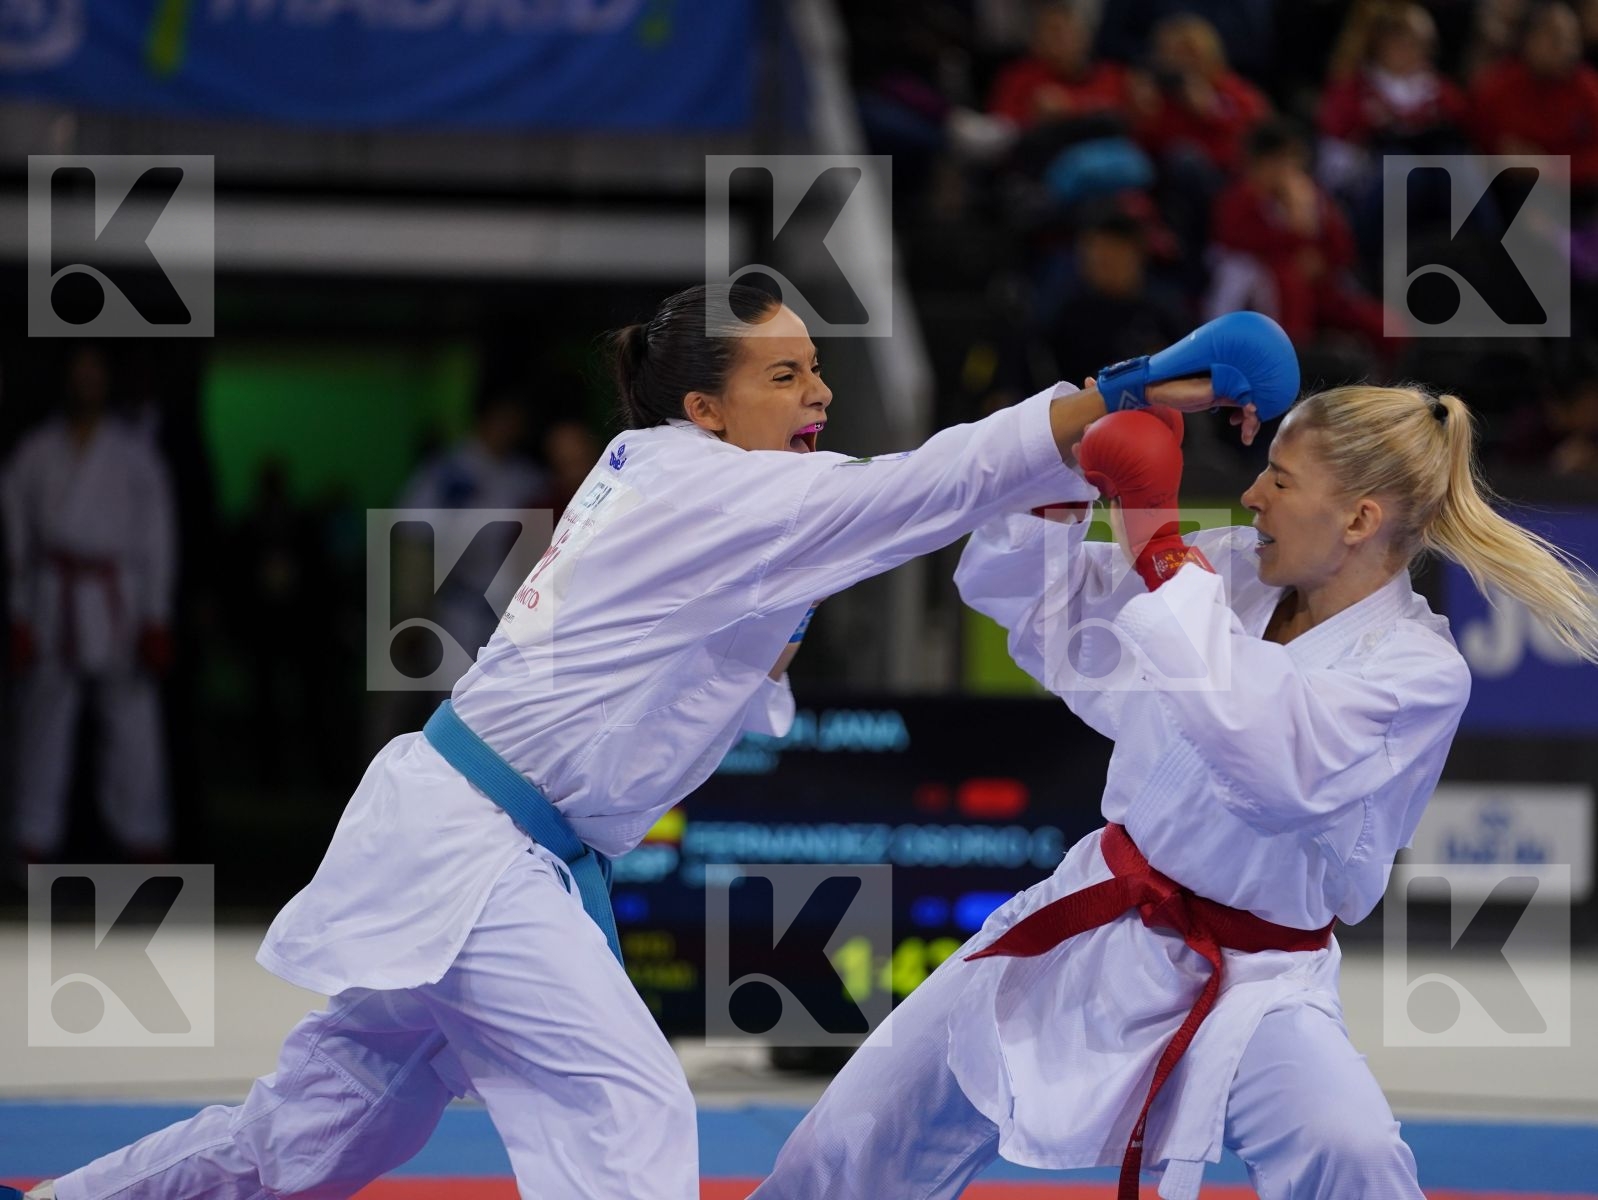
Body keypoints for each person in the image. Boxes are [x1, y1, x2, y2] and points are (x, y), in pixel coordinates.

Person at [11, 286, 1278, 1200]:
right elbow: (919, 490)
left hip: (479, 840)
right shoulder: (697, 484)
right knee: (627, 1110)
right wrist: (1118, 391)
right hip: (479, 851)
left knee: (307, 1138)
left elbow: (765, 603)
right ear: (702, 406)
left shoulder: (674, 478)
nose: (819, 390)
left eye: (816, 368)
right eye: (782, 375)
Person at [752, 384, 1598, 1200]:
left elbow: (1272, 767)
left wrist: (1160, 551)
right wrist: (1070, 474)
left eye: (1281, 478)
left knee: (1351, 1150)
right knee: (852, 1138)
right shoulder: (1229, 575)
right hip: (1090, 918)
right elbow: (1053, 624)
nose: (1254, 496)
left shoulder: (1418, 673)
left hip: (1256, 982)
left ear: (1360, 519)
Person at [2, 344, 177, 869]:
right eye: (76, 374)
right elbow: (17, 541)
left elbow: (157, 539)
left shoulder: (133, 452)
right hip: (53, 596)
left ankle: (143, 838)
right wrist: (19, 614)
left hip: (116, 598)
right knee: (42, 723)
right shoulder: (35, 450)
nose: (85, 383)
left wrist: (155, 617)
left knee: (131, 726)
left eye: (93, 374)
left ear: (106, 381)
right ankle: (33, 839)